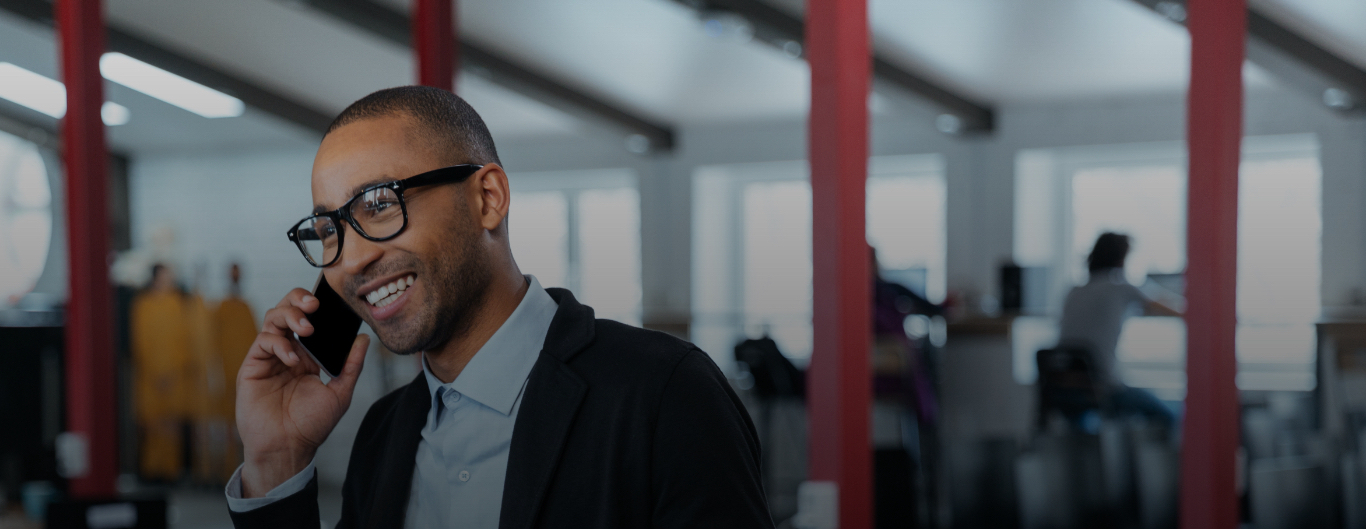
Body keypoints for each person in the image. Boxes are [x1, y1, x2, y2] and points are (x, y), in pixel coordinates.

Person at [224, 86, 771, 528]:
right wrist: (277, 459)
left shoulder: (664, 395)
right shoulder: (383, 434)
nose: (351, 260)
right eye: (329, 229)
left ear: (488, 199)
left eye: (380, 204)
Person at [1057, 232, 1180, 427]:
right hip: (1104, 388)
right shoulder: (1121, 287)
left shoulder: (1074, 291)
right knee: (1171, 415)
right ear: (1121, 258)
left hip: (1062, 385)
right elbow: (1175, 310)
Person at [130, 263, 192, 481]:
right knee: (152, 422)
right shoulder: (143, 305)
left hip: (174, 374)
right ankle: (151, 470)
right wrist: (155, 371)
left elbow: (183, 339)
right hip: (150, 375)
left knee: (171, 423)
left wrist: (174, 369)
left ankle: (171, 470)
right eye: (166, 276)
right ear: (156, 278)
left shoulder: (177, 303)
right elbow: (141, 340)